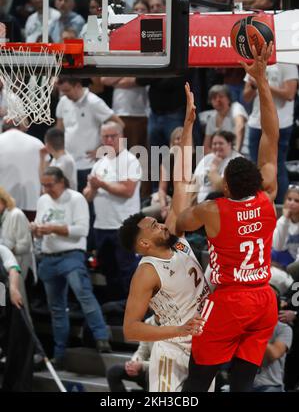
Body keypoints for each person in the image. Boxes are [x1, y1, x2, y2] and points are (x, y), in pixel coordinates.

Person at [176, 43, 279, 392]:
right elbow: (270, 135)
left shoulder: (212, 209)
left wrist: (187, 135)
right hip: (264, 299)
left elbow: (177, 222)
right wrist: (261, 81)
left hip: (230, 299)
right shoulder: (267, 197)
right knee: (243, 383)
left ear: (228, 185)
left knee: (198, 380)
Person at [120, 84, 211, 392]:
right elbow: (130, 328)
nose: (160, 224)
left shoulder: (175, 235)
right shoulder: (147, 271)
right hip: (172, 351)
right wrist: (176, 330)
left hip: (201, 346)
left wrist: (187, 126)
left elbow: (181, 179)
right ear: (144, 243)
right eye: (153, 226)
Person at [31, 167, 111, 368]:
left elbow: (82, 230)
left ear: (61, 182)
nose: (46, 189)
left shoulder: (76, 199)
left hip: (71, 255)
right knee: (56, 308)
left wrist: (53, 228)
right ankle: (59, 353)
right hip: (48, 257)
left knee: (84, 294)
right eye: (44, 185)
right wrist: (37, 230)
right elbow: (42, 228)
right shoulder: (43, 201)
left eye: (50, 185)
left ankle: (101, 337)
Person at [83, 121, 141, 300]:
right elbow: (87, 196)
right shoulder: (99, 163)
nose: (109, 140)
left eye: (113, 136)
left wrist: (101, 184)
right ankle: (115, 307)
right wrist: (93, 188)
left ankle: (130, 308)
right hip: (102, 225)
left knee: (127, 270)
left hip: (123, 225)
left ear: (121, 137)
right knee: (108, 270)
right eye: (105, 136)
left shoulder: (130, 160)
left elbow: (127, 191)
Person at [243, 61, 298, 203]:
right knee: (255, 168)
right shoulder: (254, 62)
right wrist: (255, 85)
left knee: (276, 169)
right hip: (256, 122)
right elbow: (246, 96)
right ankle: (256, 205)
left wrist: (262, 83)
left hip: (280, 124)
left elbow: (290, 94)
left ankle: (281, 207)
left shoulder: (288, 63)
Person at [0, 186, 33, 316]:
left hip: (19, 263)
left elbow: (25, 245)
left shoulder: (16, 214)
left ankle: (26, 333)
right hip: (3, 265)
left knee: (19, 303)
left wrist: (7, 250)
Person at [107, 315, 156, 392]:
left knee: (150, 375)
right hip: (147, 368)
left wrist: (142, 365)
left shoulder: (173, 325)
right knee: (114, 372)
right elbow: (142, 350)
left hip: (163, 372)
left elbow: (167, 362)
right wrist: (133, 362)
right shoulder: (148, 322)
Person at [193, 130, 241, 203]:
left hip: (221, 202)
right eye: (214, 144)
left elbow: (222, 188)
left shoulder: (237, 160)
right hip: (199, 202)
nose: (217, 146)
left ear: (229, 144)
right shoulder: (207, 158)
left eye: (221, 143)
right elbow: (194, 181)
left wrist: (213, 169)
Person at [203, 84, 248, 154]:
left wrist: (235, 152)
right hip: (224, 155)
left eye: (221, 96)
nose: (218, 100)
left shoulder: (236, 107)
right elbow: (206, 148)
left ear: (229, 99)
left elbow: (240, 126)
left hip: (243, 152)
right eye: (214, 98)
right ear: (211, 102)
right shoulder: (212, 118)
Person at [272, 185, 299, 276]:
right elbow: (278, 247)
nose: (291, 203)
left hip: (297, 262)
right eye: (289, 199)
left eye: (297, 201)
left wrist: (292, 270)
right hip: (289, 256)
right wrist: (285, 220)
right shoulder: (283, 221)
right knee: (267, 254)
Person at [39, 127, 77, 191]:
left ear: (47, 145)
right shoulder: (58, 158)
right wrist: (42, 157)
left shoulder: (65, 162)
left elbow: (44, 182)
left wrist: (42, 158)